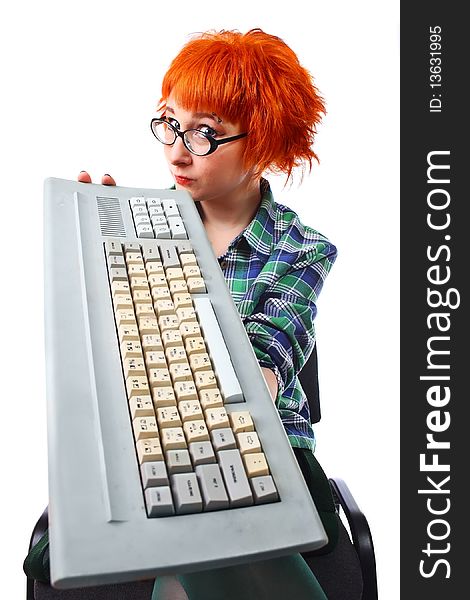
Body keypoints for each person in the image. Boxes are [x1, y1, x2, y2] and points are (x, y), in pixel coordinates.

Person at [78, 28, 337, 600]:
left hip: (271, 452)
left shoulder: (301, 248)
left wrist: (255, 380)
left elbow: (277, 341)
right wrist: (91, 249)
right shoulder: (134, 225)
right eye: (170, 122)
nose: (176, 151)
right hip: (151, 438)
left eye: (204, 134)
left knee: (205, 527)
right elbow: (104, 350)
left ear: (264, 146)